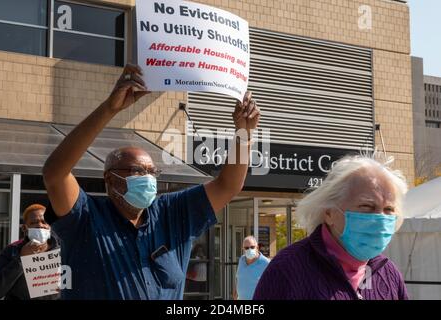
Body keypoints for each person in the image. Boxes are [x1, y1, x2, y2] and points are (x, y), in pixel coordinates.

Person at [42, 63, 260, 300]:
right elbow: (55, 173)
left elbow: (227, 186)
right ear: (110, 178)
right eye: (136, 171)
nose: (146, 178)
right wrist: (109, 109)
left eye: (151, 171)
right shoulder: (85, 217)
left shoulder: (172, 214)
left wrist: (244, 134)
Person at [253, 155, 409, 300]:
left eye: (389, 209)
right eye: (367, 206)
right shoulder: (287, 268)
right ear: (329, 212)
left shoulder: (389, 273)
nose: (380, 218)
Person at [0, 204, 60, 300]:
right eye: (33, 223)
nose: (40, 225)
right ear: (24, 228)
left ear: (50, 226)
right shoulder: (11, 251)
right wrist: (21, 259)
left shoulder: (63, 251)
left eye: (44, 222)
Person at [234, 236, 269, 300]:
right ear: (243, 249)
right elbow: (238, 278)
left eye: (252, 247)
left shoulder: (266, 263)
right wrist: (235, 295)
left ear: (257, 247)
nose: (249, 250)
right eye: (246, 248)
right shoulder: (241, 260)